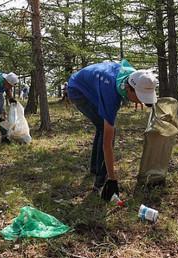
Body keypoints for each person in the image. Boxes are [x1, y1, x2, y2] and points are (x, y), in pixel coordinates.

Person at [67, 60, 158, 201]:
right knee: (108, 131)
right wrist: (113, 179)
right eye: (139, 98)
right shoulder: (110, 95)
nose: (139, 102)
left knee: (102, 127)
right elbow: (107, 145)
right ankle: (101, 182)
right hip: (77, 90)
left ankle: (95, 169)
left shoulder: (134, 76)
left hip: (93, 85)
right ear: (128, 89)